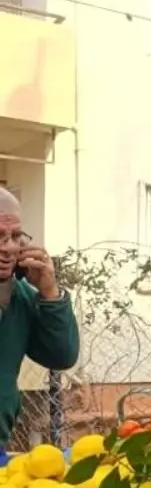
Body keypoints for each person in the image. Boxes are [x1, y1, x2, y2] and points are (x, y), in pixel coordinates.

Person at [0, 187, 79, 461]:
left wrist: (49, 293)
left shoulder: (20, 297)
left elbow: (61, 354)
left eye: (15, 236)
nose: (9, 247)